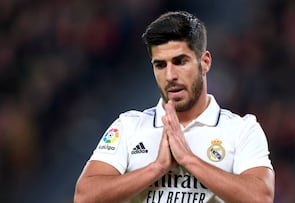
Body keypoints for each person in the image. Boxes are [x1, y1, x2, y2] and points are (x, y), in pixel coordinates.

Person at [74, 11, 275, 203]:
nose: (170, 76)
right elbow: (84, 196)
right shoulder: (128, 127)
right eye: (160, 65)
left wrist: (188, 159)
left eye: (180, 62)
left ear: (204, 62)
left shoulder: (242, 130)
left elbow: (261, 197)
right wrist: (157, 168)